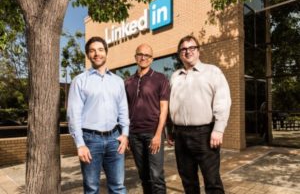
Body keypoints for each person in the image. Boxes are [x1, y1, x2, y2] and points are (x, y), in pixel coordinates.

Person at [168, 35, 231, 194]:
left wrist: (218, 129)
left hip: (204, 134)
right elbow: (171, 105)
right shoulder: (175, 77)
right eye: (183, 49)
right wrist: (170, 130)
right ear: (179, 53)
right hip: (180, 135)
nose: (188, 52)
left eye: (192, 48)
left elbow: (223, 101)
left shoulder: (212, 71)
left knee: (212, 181)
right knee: (188, 181)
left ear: (198, 51)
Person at [67, 36, 129, 194]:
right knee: (92, 188)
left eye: (100, 50)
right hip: (90, 141)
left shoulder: (118, 81)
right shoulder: (79, 81)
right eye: (92, 51)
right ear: (88, 55)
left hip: (115, 139)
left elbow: (123, 109)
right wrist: (80, 144)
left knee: (118, 187)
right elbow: (73, 115)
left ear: (106, 53)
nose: (97, 54)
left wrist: (125, 134)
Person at [125, 44, 170, 194]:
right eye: (140, 54)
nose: (143, 57)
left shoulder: (160, 78)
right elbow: (124, 111)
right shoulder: (128, 82)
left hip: (153, 134)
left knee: (156, 175)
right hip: (134, 135)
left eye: (147, 55)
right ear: (135, 57)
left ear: (152, 59)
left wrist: (158, 134)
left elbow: (164, 109)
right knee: (143, 176)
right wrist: (127, 136)